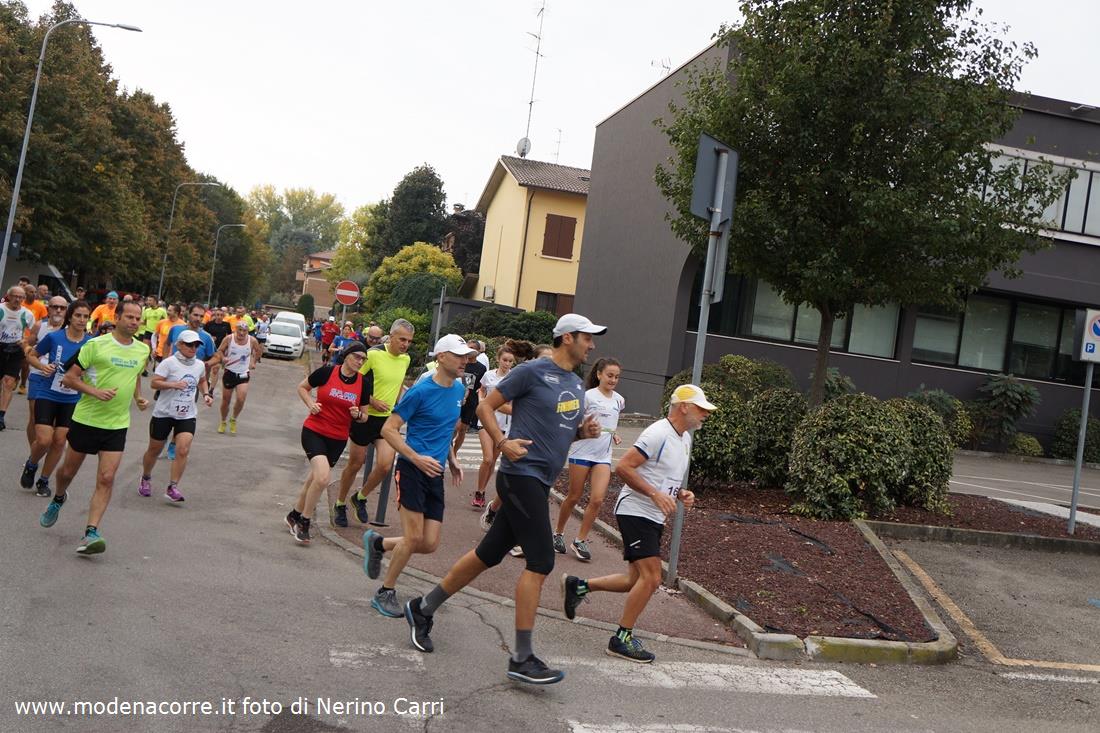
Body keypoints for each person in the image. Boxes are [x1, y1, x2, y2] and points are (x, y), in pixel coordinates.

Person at [403, 313, 604, 686]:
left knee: (488, 554)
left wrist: (582, 432)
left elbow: (559, 434)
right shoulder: (531, 372)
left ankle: (422, 607)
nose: (592, 345)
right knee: (542, 560)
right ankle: (522, 657)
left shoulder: (576, 385)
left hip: (541, 479)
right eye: (587, 338)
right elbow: (484, 407)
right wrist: (501, 442)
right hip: (519, 475)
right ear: (568, 338)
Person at [562, 384, 715, 663]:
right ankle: (621, 639)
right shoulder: (658, 433)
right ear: (683, 406)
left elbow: (664, 479)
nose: (705, 414)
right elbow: (623, 468)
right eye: (701, 408)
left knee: (635, 580)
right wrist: (655, 494)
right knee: (653, 577)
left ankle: (579, 586)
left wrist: (681, 493)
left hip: (653, 514)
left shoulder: (684, 439)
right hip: (635, 510)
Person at [363, 334, 471, 617]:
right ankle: (385, 591)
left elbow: (446, 429)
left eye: (466, 355)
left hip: (435, 472)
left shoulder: (459, 390)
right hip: (411, 469)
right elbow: (389, 429)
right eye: (459, 355)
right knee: (412, 538)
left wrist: (453, 458)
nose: (465, 360)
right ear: (441, 357)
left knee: (429, 543)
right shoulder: (421, 391)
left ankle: (379, 544)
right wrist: (415, 458)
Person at [38, 300, 150, 555]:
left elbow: (133, 379)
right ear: (117, 317)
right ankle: (58, 498)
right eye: (129, 317)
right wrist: (94, 392)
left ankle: (91, 532)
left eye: (137, 318)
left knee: (107, 478)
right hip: (86, 420)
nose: (134, 322)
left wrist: (138, 398)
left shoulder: (142, 351)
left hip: (117, 424)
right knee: (67, 472)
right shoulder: (95, 345)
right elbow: (69, 377)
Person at [332, 319, 413, 528]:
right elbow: (353, 379)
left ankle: (360, 497)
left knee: (386, 464)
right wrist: (370, 399)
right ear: (392, 336)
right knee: (356, 463)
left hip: (386, 420)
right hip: (364, 416)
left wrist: (397, 407)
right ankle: (340, 503)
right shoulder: (375, 354)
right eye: (402, 339)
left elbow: (396, 386)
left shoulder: (405, 360)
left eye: (409, 341)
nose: (405, 344)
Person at [286, 342, 370, 544]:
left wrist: (358, 414)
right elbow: (302, 387)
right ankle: (305, 522)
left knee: (314, 478)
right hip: (314, 430)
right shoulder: (327, 372)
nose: (360, 361)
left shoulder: (363, 383)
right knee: (323, 478)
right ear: (347, 356)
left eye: (363, 359)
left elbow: (365, 416)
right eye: (357, 357)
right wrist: (311, 404)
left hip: (338, 438)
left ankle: (294, 515)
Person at [554, 358, 625, 562]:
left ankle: (580, 540)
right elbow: (573, 420)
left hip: (603, 456)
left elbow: (609, 423)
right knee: (574, 496)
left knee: (597, 499)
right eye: (610, 375)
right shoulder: (586, 396)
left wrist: (614, 434)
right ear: (599, 374)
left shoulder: (619, 400)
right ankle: (558, 533)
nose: (613, 380)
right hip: (581, 452)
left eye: (617, 377)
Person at [19, 300, 90, 496]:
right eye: (78, 315)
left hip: (71, 399)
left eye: (85, 316)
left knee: (59, 441)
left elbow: (94, 369)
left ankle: (44, 480)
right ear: (70, 316)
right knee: (43, 440)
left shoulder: (91, 343)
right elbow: (31, 355)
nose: (81, 320)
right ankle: (32, 464)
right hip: (47, 393)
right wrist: (43, 367)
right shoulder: (54, 337)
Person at [138, 329, 214, 502]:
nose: (193, 348)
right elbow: (154, 383)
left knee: (183, 449)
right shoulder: (169, 363)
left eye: (196, 345)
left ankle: (173, 486)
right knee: (154, 449)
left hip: (187, 414)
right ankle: (146, 477)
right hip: (164, 413)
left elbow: (202, 380)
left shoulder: (199, 365)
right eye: (189, 344)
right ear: (179, 344)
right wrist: (173, 384)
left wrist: (206, 394)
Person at [471, 345, 515, 509]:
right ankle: (479, 491)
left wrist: (505, 408)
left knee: (493, 461)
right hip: (485, 420)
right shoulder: (488, 375)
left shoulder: (514, 378)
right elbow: (481, 391)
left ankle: (481, 490)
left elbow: (513, 403)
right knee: (488, 458)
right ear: (498, 359)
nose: (507, 363)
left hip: (503, 424)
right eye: (504, 360)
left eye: (510, 361)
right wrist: (482, 401)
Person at [22, 296, 67, 448]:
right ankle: (33, 451)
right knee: (35, 416)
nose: (58, 310)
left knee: (53, 421)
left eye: (62, 307)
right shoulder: (40, 325)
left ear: (67, 311)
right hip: (38, 375)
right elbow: (27, 345)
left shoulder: (70, 329)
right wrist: (28, 350)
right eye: (55, 306)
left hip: (60, 379)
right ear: (49, 308)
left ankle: (45, 445)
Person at [453, 340, 487, 488]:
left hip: (471, 401)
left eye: (473, 348)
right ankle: (448, 450)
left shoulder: (481, 368)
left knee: (462, 429)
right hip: (456, 398)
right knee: (454, 427)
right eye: (468, 347)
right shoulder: (461, 363)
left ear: (478, 351)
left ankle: (453, 452)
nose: (470, 350)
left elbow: (482, 387)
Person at [216, 320, 261, 434]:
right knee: (226, 400)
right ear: (236, 329)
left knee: (241, 399)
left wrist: (254, 362)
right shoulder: (229, 339)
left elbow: (258, 350)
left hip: (243, 373)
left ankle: (233, 419)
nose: (241, 333)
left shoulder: (252, 340)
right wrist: (223, 358)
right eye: (239, 330)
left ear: (247, 331)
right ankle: (223, 421)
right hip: (230, 372)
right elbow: (220, 350)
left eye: (244, 331)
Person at [0, 285, 35, 431]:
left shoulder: (27, 313)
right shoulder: (1, 309)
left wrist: (26, 341)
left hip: (15, 350)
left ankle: (1, 416)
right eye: (15, 296)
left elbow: (34, 333)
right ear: (9, 296)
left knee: (8, 383)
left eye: (21, 297)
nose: (18, 299)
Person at [203, 308, 232, 385]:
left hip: (220, 350)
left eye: (221, 315)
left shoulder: (226, 325)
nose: (219, 316)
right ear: (214, 315)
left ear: (223, 316)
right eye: (217, 315)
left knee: (215, 369)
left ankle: (211, 390)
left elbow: (230, 337)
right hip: (209, 349)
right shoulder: (209, 324)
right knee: (207, 369)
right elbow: (203, 335)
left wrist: (227, 349)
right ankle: (206, 383)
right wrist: (210, 337)